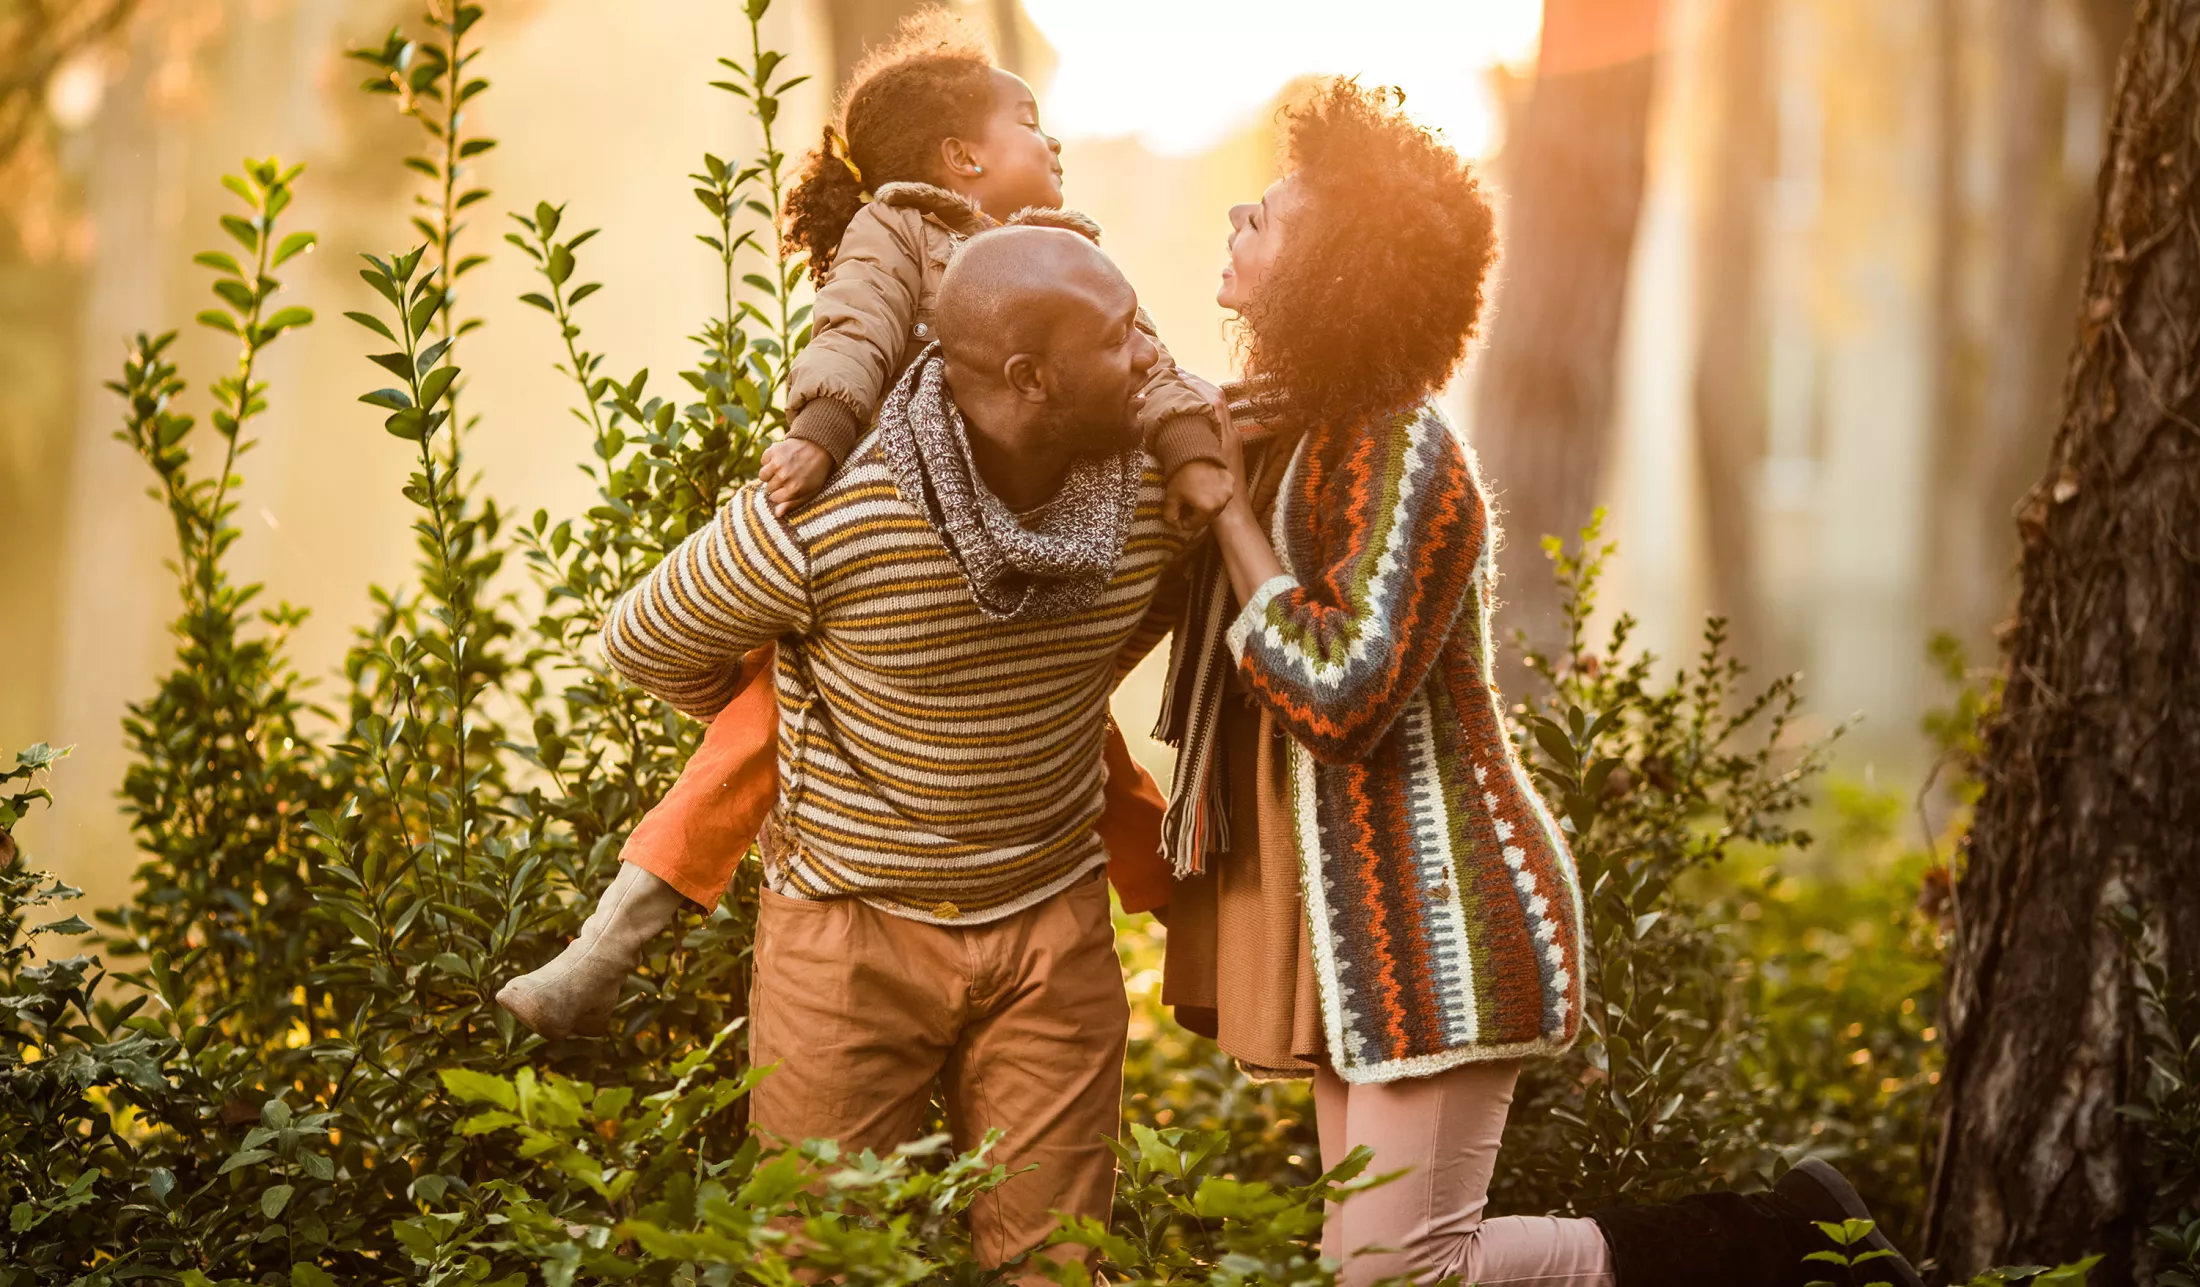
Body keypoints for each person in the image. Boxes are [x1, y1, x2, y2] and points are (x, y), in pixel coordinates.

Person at [1156, 80, 1925, 1287]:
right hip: (1365, 938)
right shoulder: (1295, 435)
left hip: (1447, 911)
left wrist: (1224, 515)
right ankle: (1783, 1238)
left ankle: (1782, 1241)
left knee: (1402, 1272)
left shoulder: (1408, 455)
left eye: (1271, 215)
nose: (1238, 220)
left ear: (1336, 272)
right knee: (1369, 1270)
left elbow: (1341, 690)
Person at [496, 11, 1219, 1039]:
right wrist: (823, 432)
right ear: (963, 157)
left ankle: (1209, 950)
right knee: (751, 741)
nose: (1051, 137)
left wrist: (1193, 445)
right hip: (892, 560)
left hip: (1033, 563)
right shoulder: (905, 227)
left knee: (1079, 763)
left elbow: (1155, 370)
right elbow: (855, 326)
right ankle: (604, 948)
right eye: (1027, 121)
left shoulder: (1071, 264)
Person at [594, 225, 1193, 1279]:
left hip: (1051, 923)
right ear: (1030, 378)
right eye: (1119, 336)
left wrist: (1046, 688)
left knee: (1057, 1269)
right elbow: (645, 637)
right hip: (848, 932)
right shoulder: (834, 514)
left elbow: (1147, 608)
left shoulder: (1155, 490)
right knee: (817, 1261)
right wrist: (804, 712)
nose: (1152, 351)